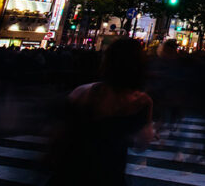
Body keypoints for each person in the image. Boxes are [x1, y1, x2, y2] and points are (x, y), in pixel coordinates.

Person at [47, 38, 154, 186]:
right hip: (109, 172)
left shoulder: (82, 92)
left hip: (71, 169)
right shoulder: (141, 102)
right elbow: (141, 144)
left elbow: (59, 133)